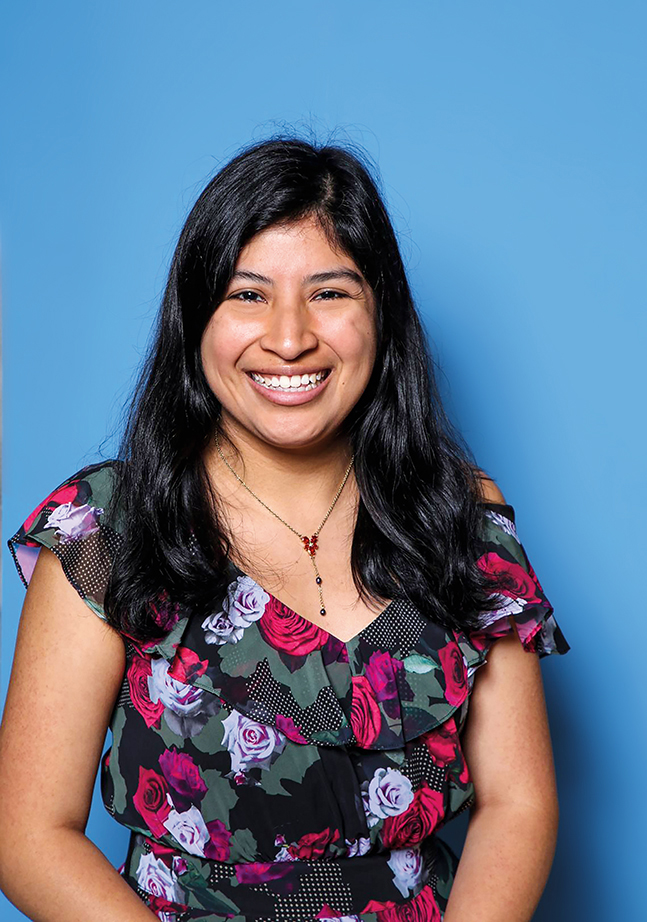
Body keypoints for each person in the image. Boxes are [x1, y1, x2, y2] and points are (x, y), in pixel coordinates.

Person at [0, 136, 570, 922]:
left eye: (330, 292)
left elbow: (519, 805)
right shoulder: (107, 529)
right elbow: (29, 836)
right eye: (248, 295)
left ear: (382, 312)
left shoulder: (461, 524)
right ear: (194, 318)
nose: (290, 337)